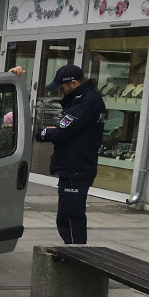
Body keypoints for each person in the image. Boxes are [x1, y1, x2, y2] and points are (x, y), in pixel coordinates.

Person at [34, 64, 106, 245]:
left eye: (62, 88)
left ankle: (76, 252)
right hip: (74, 165)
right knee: (67, 215)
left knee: (71, 215)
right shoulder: (84, 100)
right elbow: (71, 129)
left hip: (76, 166)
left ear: (74, 83)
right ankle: (72, 250)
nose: (61, 92)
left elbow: (64, 132)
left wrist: (43, 133)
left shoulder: (86, 102)